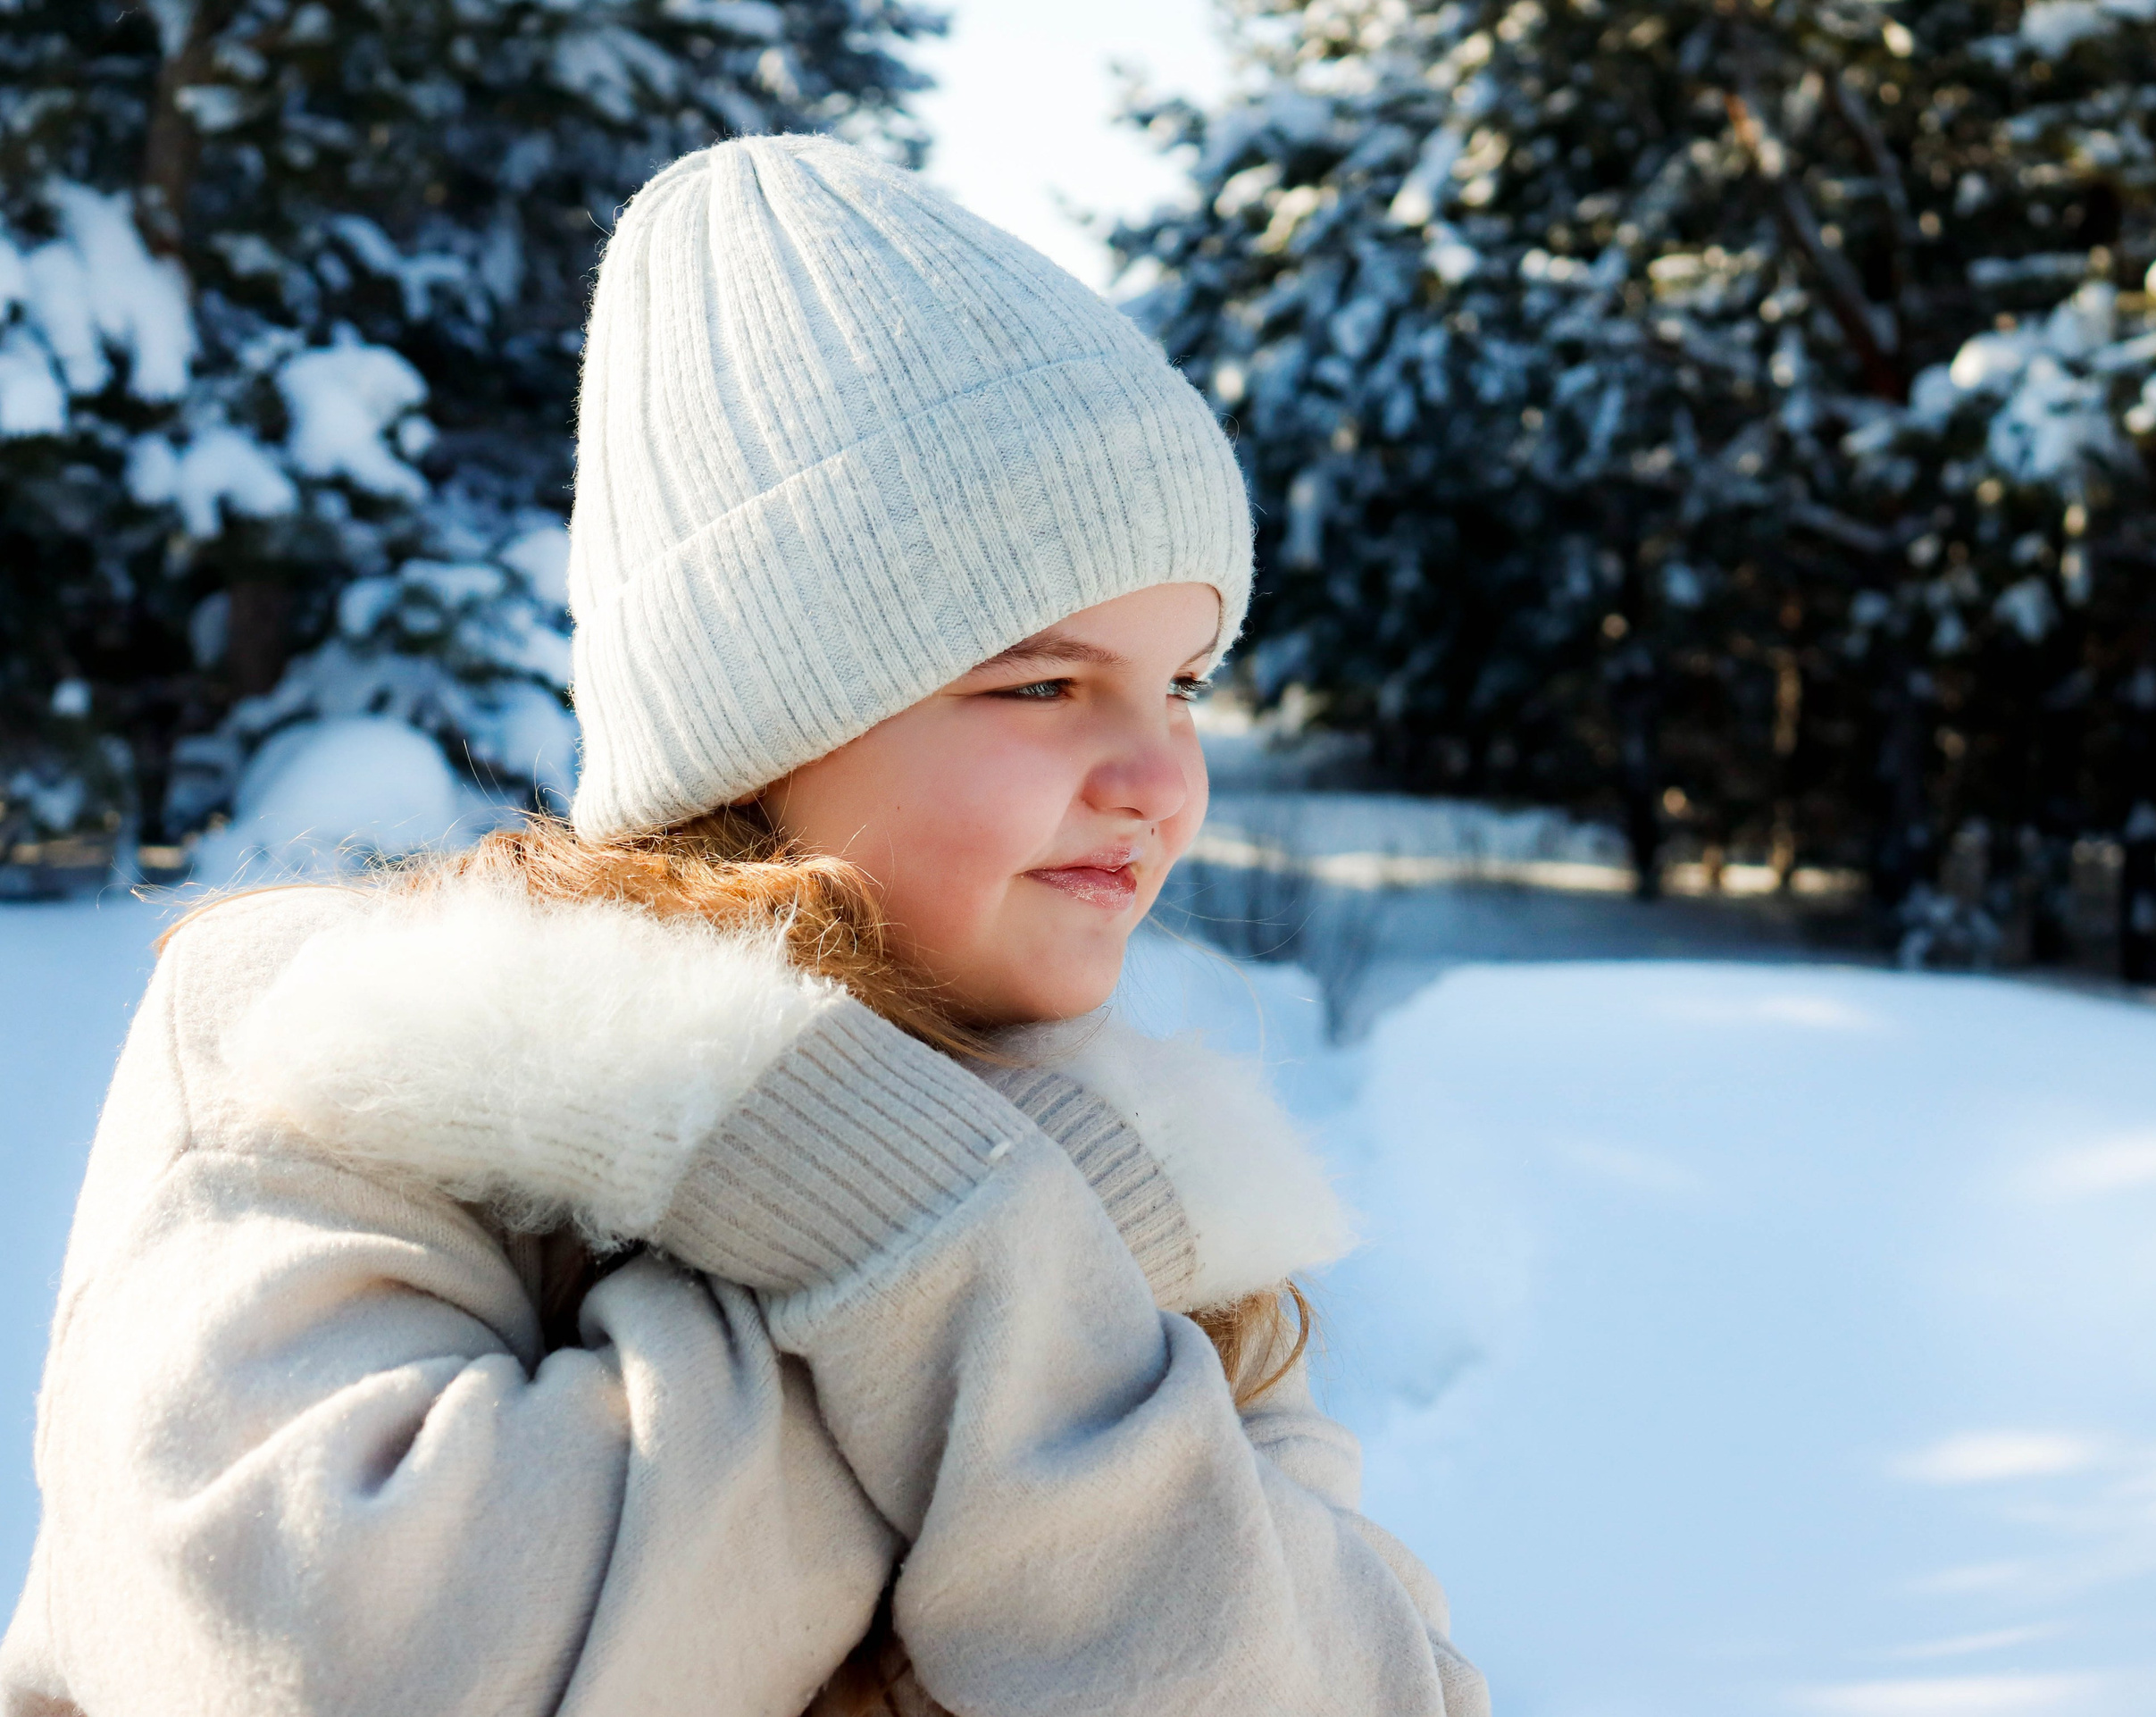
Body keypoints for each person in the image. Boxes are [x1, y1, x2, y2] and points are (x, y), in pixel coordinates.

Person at [0, 134, 1487, 1715]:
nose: (1162, 782)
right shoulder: (329, 1063)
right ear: (764, 731)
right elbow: (340, 1663)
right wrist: (953, 1240)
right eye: (1045, 683)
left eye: (1182, 684)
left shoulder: (1150, 1177)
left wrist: (1004, 1206)